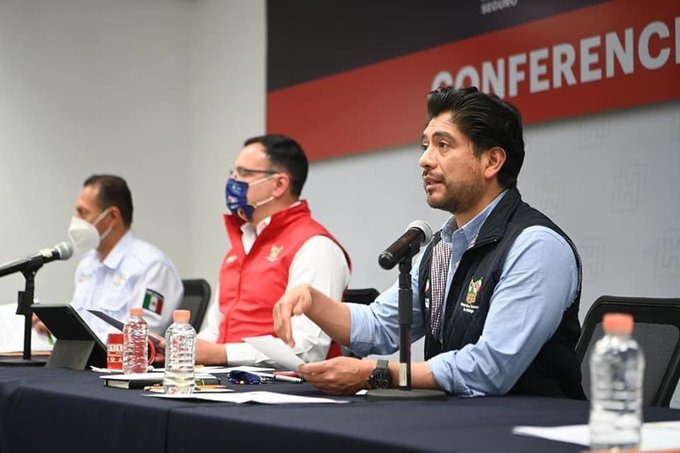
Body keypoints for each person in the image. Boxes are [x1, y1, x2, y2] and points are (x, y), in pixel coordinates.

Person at [273, 86, 585, 398]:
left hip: (530, 424)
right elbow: (379, 326)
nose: (424, 160)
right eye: (425, 146)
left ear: (492, 161)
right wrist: (313, 302)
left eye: (443, 145)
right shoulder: (443, 247)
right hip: (456, 419)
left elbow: (490, 368)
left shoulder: (536, 246)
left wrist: (376, 374)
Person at [191, 134, 351, 367]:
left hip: (282, 386)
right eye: (233, 173)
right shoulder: (239, 247)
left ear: (279, 185)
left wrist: (221, 354)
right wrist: (179, 351)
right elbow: (215, 332)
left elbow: (308, 350)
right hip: (222, 379)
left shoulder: (315, 246)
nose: (234, 181)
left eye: (245, 173)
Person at [35, 175, 183, 342]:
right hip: (83, 357)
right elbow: (82, 323)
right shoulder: (88, 263)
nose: (75, 220)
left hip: (119, 359)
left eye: (83, 212)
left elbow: (142, 336)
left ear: (112, 216)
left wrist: (81, 339)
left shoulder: (152, 266)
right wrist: (55, 326)